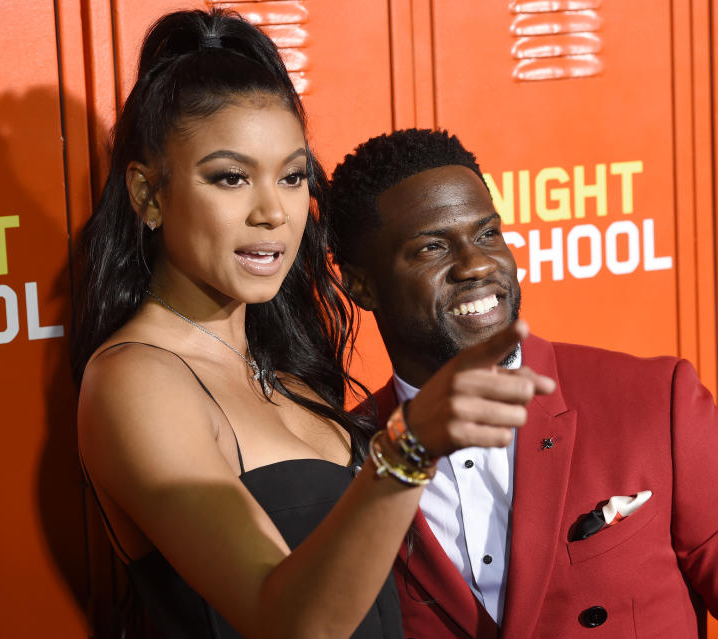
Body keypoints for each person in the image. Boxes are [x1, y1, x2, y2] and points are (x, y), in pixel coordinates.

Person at [72, 11, 554, 639]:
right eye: (230, 178)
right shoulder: (136, 381)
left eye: (293, 176)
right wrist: (409, 448)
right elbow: (289, 624)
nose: (273, 212)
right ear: (148, 193)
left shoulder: (288, 375)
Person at [328, 128, 718, 638]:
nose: (478, 264)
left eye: (487, 234)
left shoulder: (658, 400)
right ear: (361, 285)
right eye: (432, 247)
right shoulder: (344, 458)